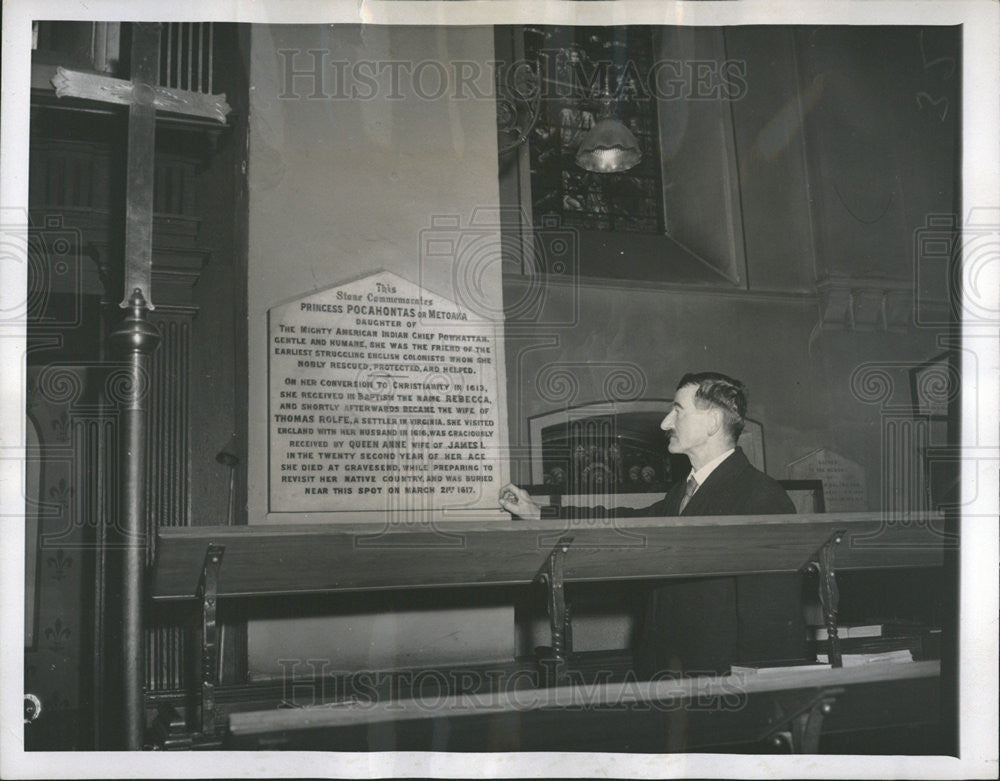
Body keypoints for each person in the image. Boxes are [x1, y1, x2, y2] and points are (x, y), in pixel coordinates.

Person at [499, 371, 808, 676]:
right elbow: (624, 521)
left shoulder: (761, 497)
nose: (665, 423)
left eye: (678, 410)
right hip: (670, 679)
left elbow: (773, 623)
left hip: (720, 689)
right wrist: (538, 513)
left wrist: (760, 699)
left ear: (713, 422)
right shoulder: (683, 493)